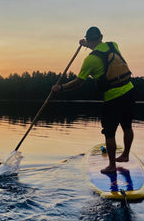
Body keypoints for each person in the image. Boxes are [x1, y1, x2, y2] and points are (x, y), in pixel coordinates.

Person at [52, 27, 135, 174]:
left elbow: (78, 82)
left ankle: (112, 166)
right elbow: (99, 48)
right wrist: (86, 43)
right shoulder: (113, 45)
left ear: (88, 39)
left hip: (112, 98)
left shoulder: (90, 60)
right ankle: (126, 155)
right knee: (127, 126)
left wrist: (60, 88)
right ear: (101, 36)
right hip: (129, 91)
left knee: (109, 133)